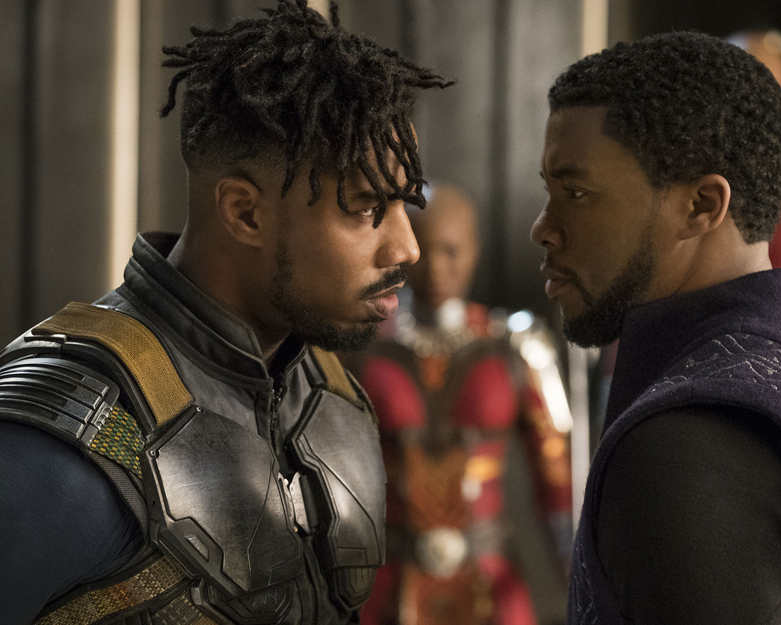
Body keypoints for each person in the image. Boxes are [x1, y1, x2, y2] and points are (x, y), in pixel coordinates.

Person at [0, 2, 451, 623]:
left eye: (406, 204)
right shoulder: (58, 437)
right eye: (368, 208)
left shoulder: (331, 395)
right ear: (245, 213)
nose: (408, 249)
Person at [531, 31, 781, 624]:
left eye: (576, 193)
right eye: (549, 192)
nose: (543, 227)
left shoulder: (684, 446)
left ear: (702, 205)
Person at [354, 184, 573, 625]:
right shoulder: (362, 349)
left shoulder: (515, 348)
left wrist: (576, 577)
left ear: (473, 251)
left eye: (451, 251)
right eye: (425, 251)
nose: (437, 268)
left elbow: (557, 481)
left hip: (490, 580)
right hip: (391, 582)